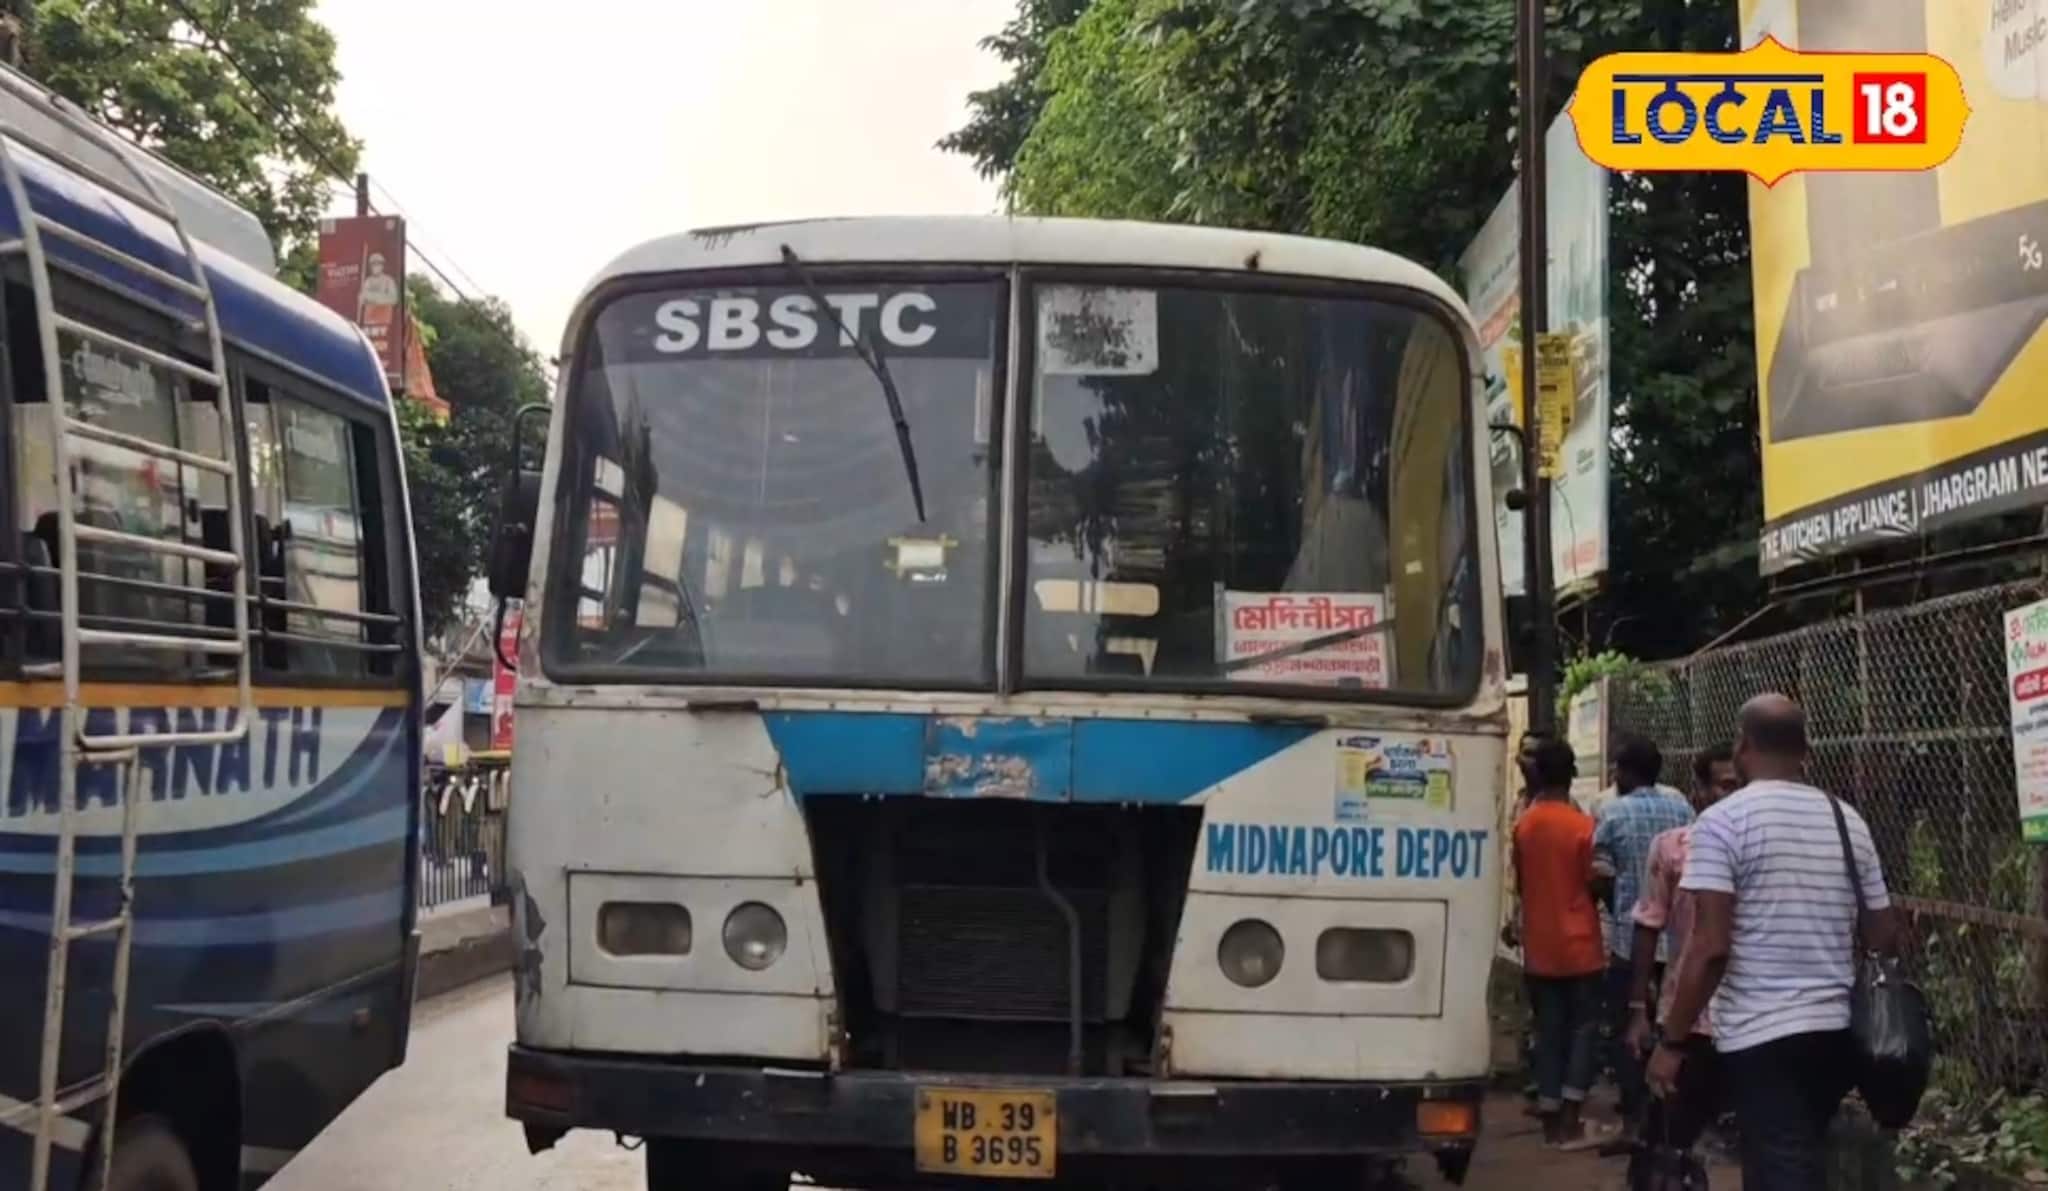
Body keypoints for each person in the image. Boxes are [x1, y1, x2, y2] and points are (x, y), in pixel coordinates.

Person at [1650, 694, 1903, 1190]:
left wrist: (1673, 1041)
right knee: (1795, 1158)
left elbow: (1710, 946)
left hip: (1762, 1037)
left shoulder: (1722, 823)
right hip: (1836, 1032)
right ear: (1806, 750)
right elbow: (1884, 934)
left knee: (1780, 1166)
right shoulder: (1845, 818)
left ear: (1743, 747)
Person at [1624, 744, 1742, 1181]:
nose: (1734, 795)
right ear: (1699, 792)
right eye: (1725, 785)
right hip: (1691, 1019)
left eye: (1741, 785)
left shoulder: (1767, 846)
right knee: (1673, 1139)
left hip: (1754, 1017)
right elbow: (1648, 923)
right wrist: (1639, 1009)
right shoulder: (1673, 848)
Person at [1512, 735, 1615, 1150]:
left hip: (1539, 944)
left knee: (1548, 1031)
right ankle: (1572, 1120)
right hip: (1581, 944)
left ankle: (1551, 1121)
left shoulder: (1524, 825)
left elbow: (1522, 883)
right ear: (1571, 776)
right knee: (1584, 1030)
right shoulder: (1583, 827)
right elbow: (1597, 881)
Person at [1592, 733, 1696, 1140]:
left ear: (1625, 770)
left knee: (1629, 1030)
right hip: (1679, 941)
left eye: (1616, 767)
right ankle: (1669, 1117)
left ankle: (1635, 1121)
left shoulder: (1613, 813)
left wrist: (1616, 901)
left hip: (1630, 940)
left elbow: (1600, 873)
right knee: (1673, 1028)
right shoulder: (1683, 806)